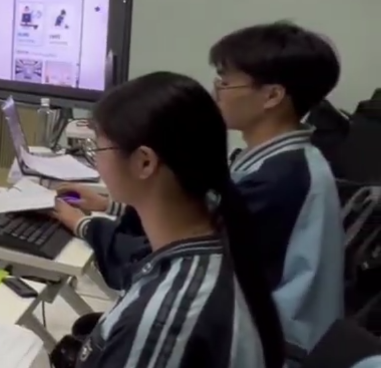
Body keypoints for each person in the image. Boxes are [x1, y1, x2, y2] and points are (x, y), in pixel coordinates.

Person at [55, 21, 343, 358]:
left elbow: (152, 255)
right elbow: (192, 210)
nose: (216, 90)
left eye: (226, 81)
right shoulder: (283, 161)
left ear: (272, 96)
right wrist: (110, 205)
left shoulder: (277, 181)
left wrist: (83, 224)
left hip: (281, 346)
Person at [48, 71, 284, 368]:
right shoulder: (216, 223)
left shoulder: (162, 320)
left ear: (144, 162)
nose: (96, 160)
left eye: (98, 148)